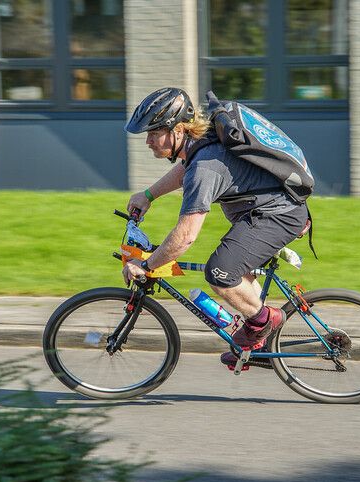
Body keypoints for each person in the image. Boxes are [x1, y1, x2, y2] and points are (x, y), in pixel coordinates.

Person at [121, 87, 310, 368]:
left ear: (178, 130)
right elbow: (184, 168)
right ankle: (259, 341)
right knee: (233, 264)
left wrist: (147, 265)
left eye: (153, 132)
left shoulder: (205, 168)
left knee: (220, 272)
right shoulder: (202, 142)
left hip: (276, 215)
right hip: (264, 211)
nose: (148, 141)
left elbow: (186, 237)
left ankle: (263, 321)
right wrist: (149, 195)